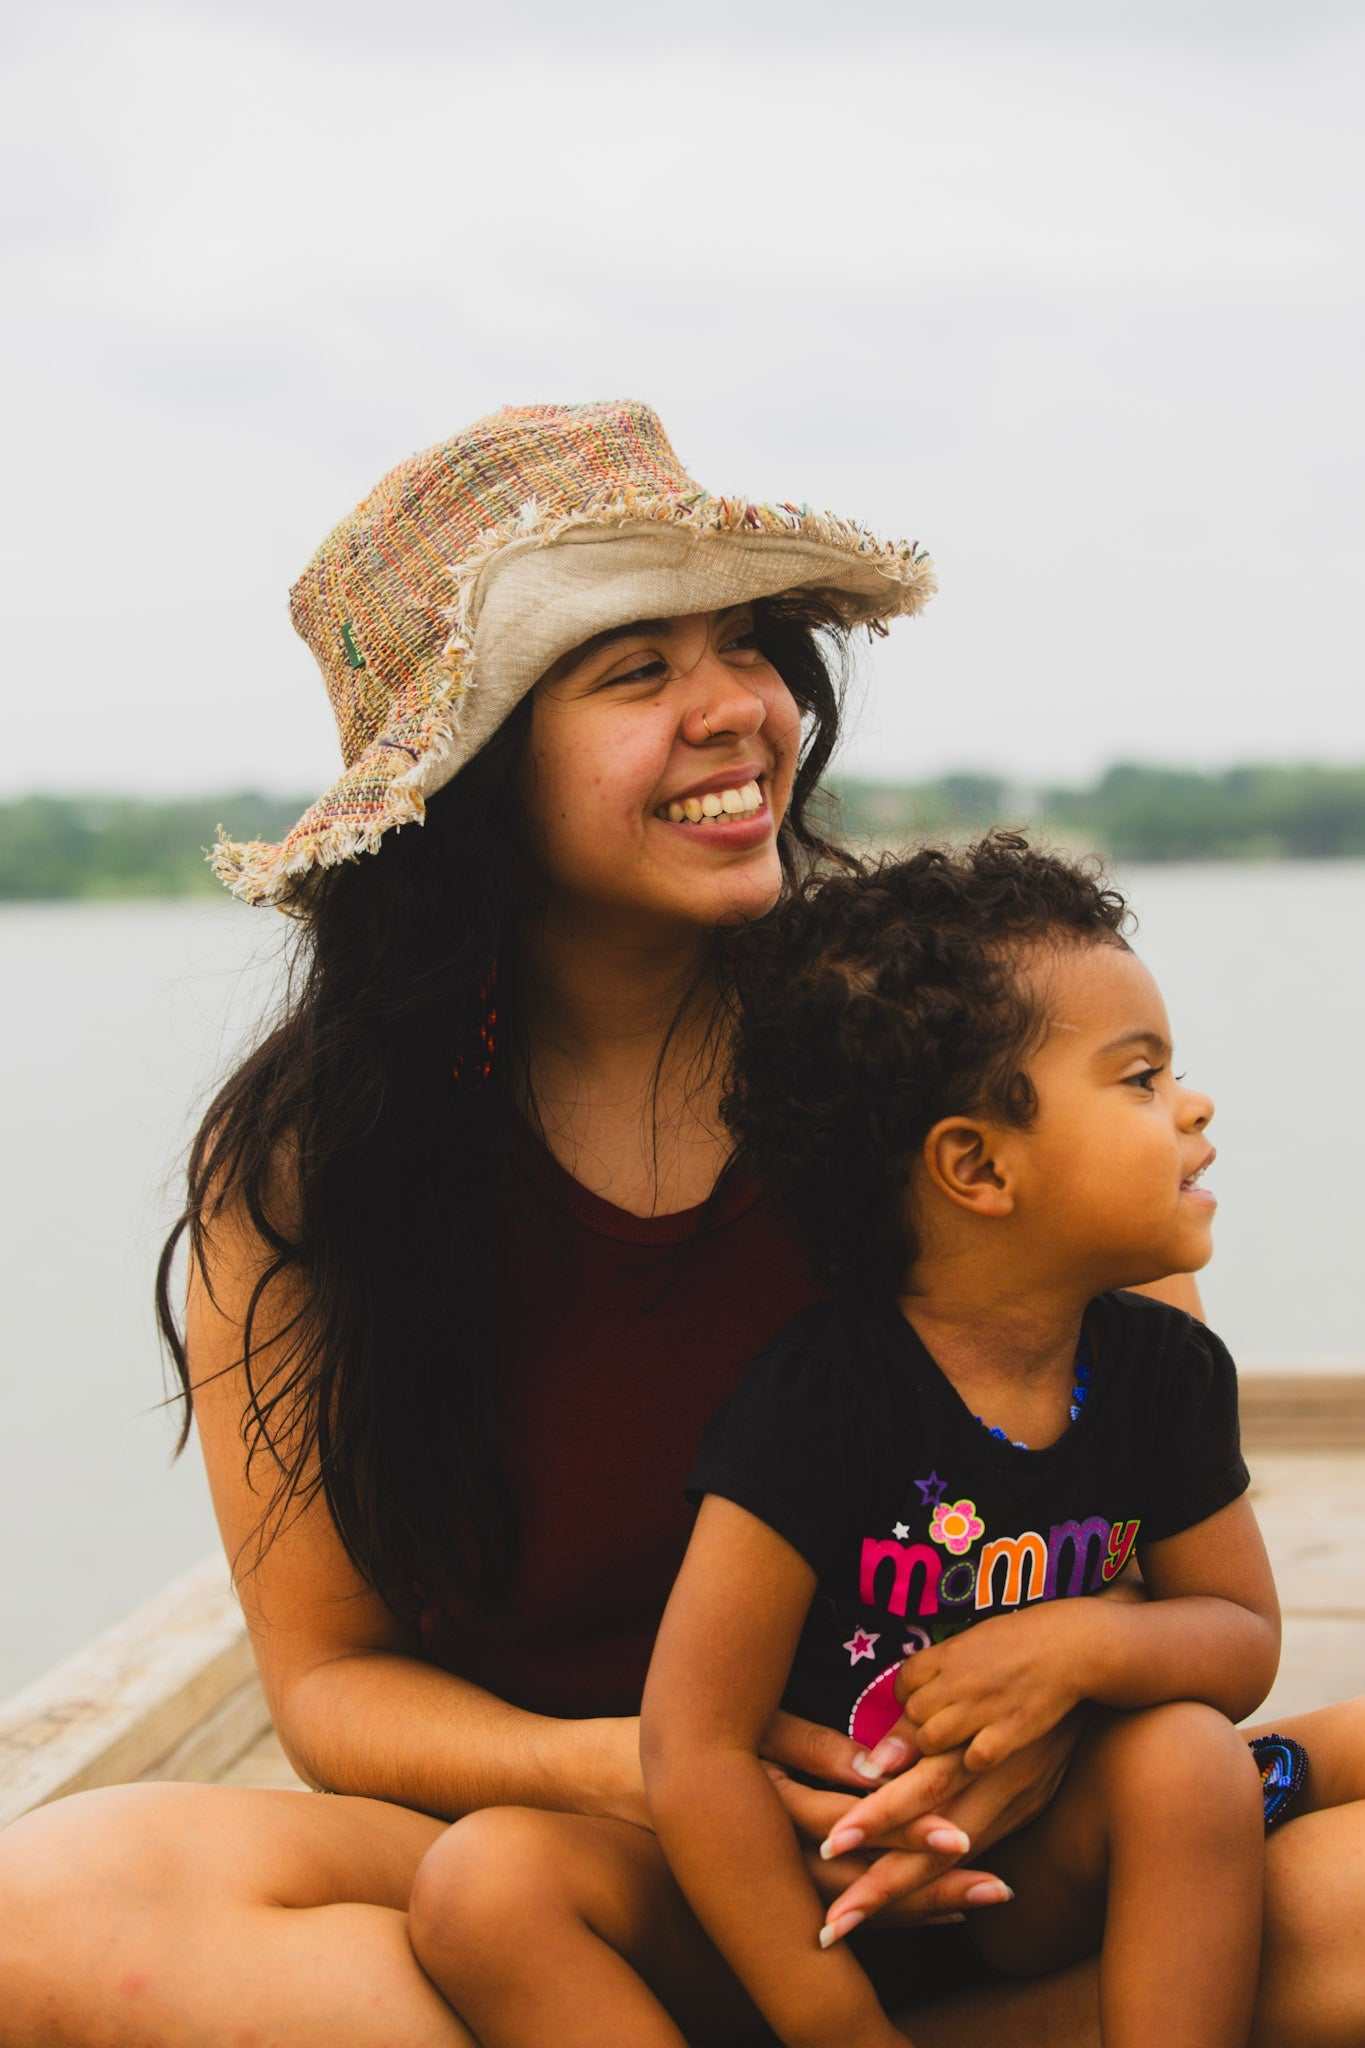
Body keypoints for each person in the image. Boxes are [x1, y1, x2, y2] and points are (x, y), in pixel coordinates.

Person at [0, 399, 1360, 2048]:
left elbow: (1153, 1511)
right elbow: (333, 1685)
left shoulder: (950, 1043)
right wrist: (649, 1766)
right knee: (48, 1911)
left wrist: (1019, 1722)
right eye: (634, 672)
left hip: (1011, 1842)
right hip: (590, 1889)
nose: (738, 712)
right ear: (474, 770)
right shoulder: (314, 1170)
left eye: (750, 647)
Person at [408, 835, 1280, 2047]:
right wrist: (827, 2014)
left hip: (1027, 1871)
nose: (1191, 1104)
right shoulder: (823, 1396)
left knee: (1195, 1759)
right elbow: (693, 1736)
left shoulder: (1162, 1369)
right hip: (802, 1890)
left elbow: (1240, 1638)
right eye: (1138, 1079)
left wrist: (1081, 1643)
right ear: (976, 1164)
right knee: (484, 1887)